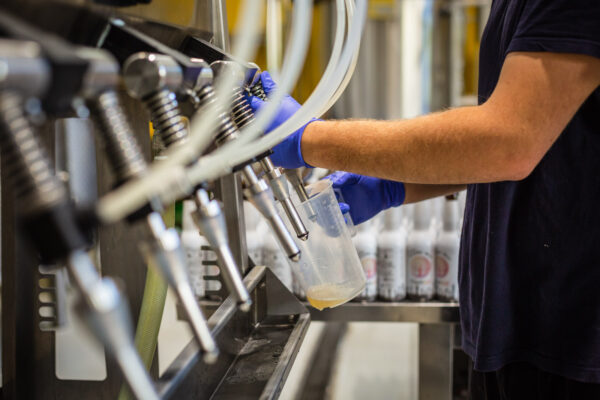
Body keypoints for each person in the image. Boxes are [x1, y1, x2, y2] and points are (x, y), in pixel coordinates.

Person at [249, 0, 600, 398]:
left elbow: (508, 141)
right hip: (519, 323)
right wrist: (396, 184)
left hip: (573, 341)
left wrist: (307, 139)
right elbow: (546, 133)